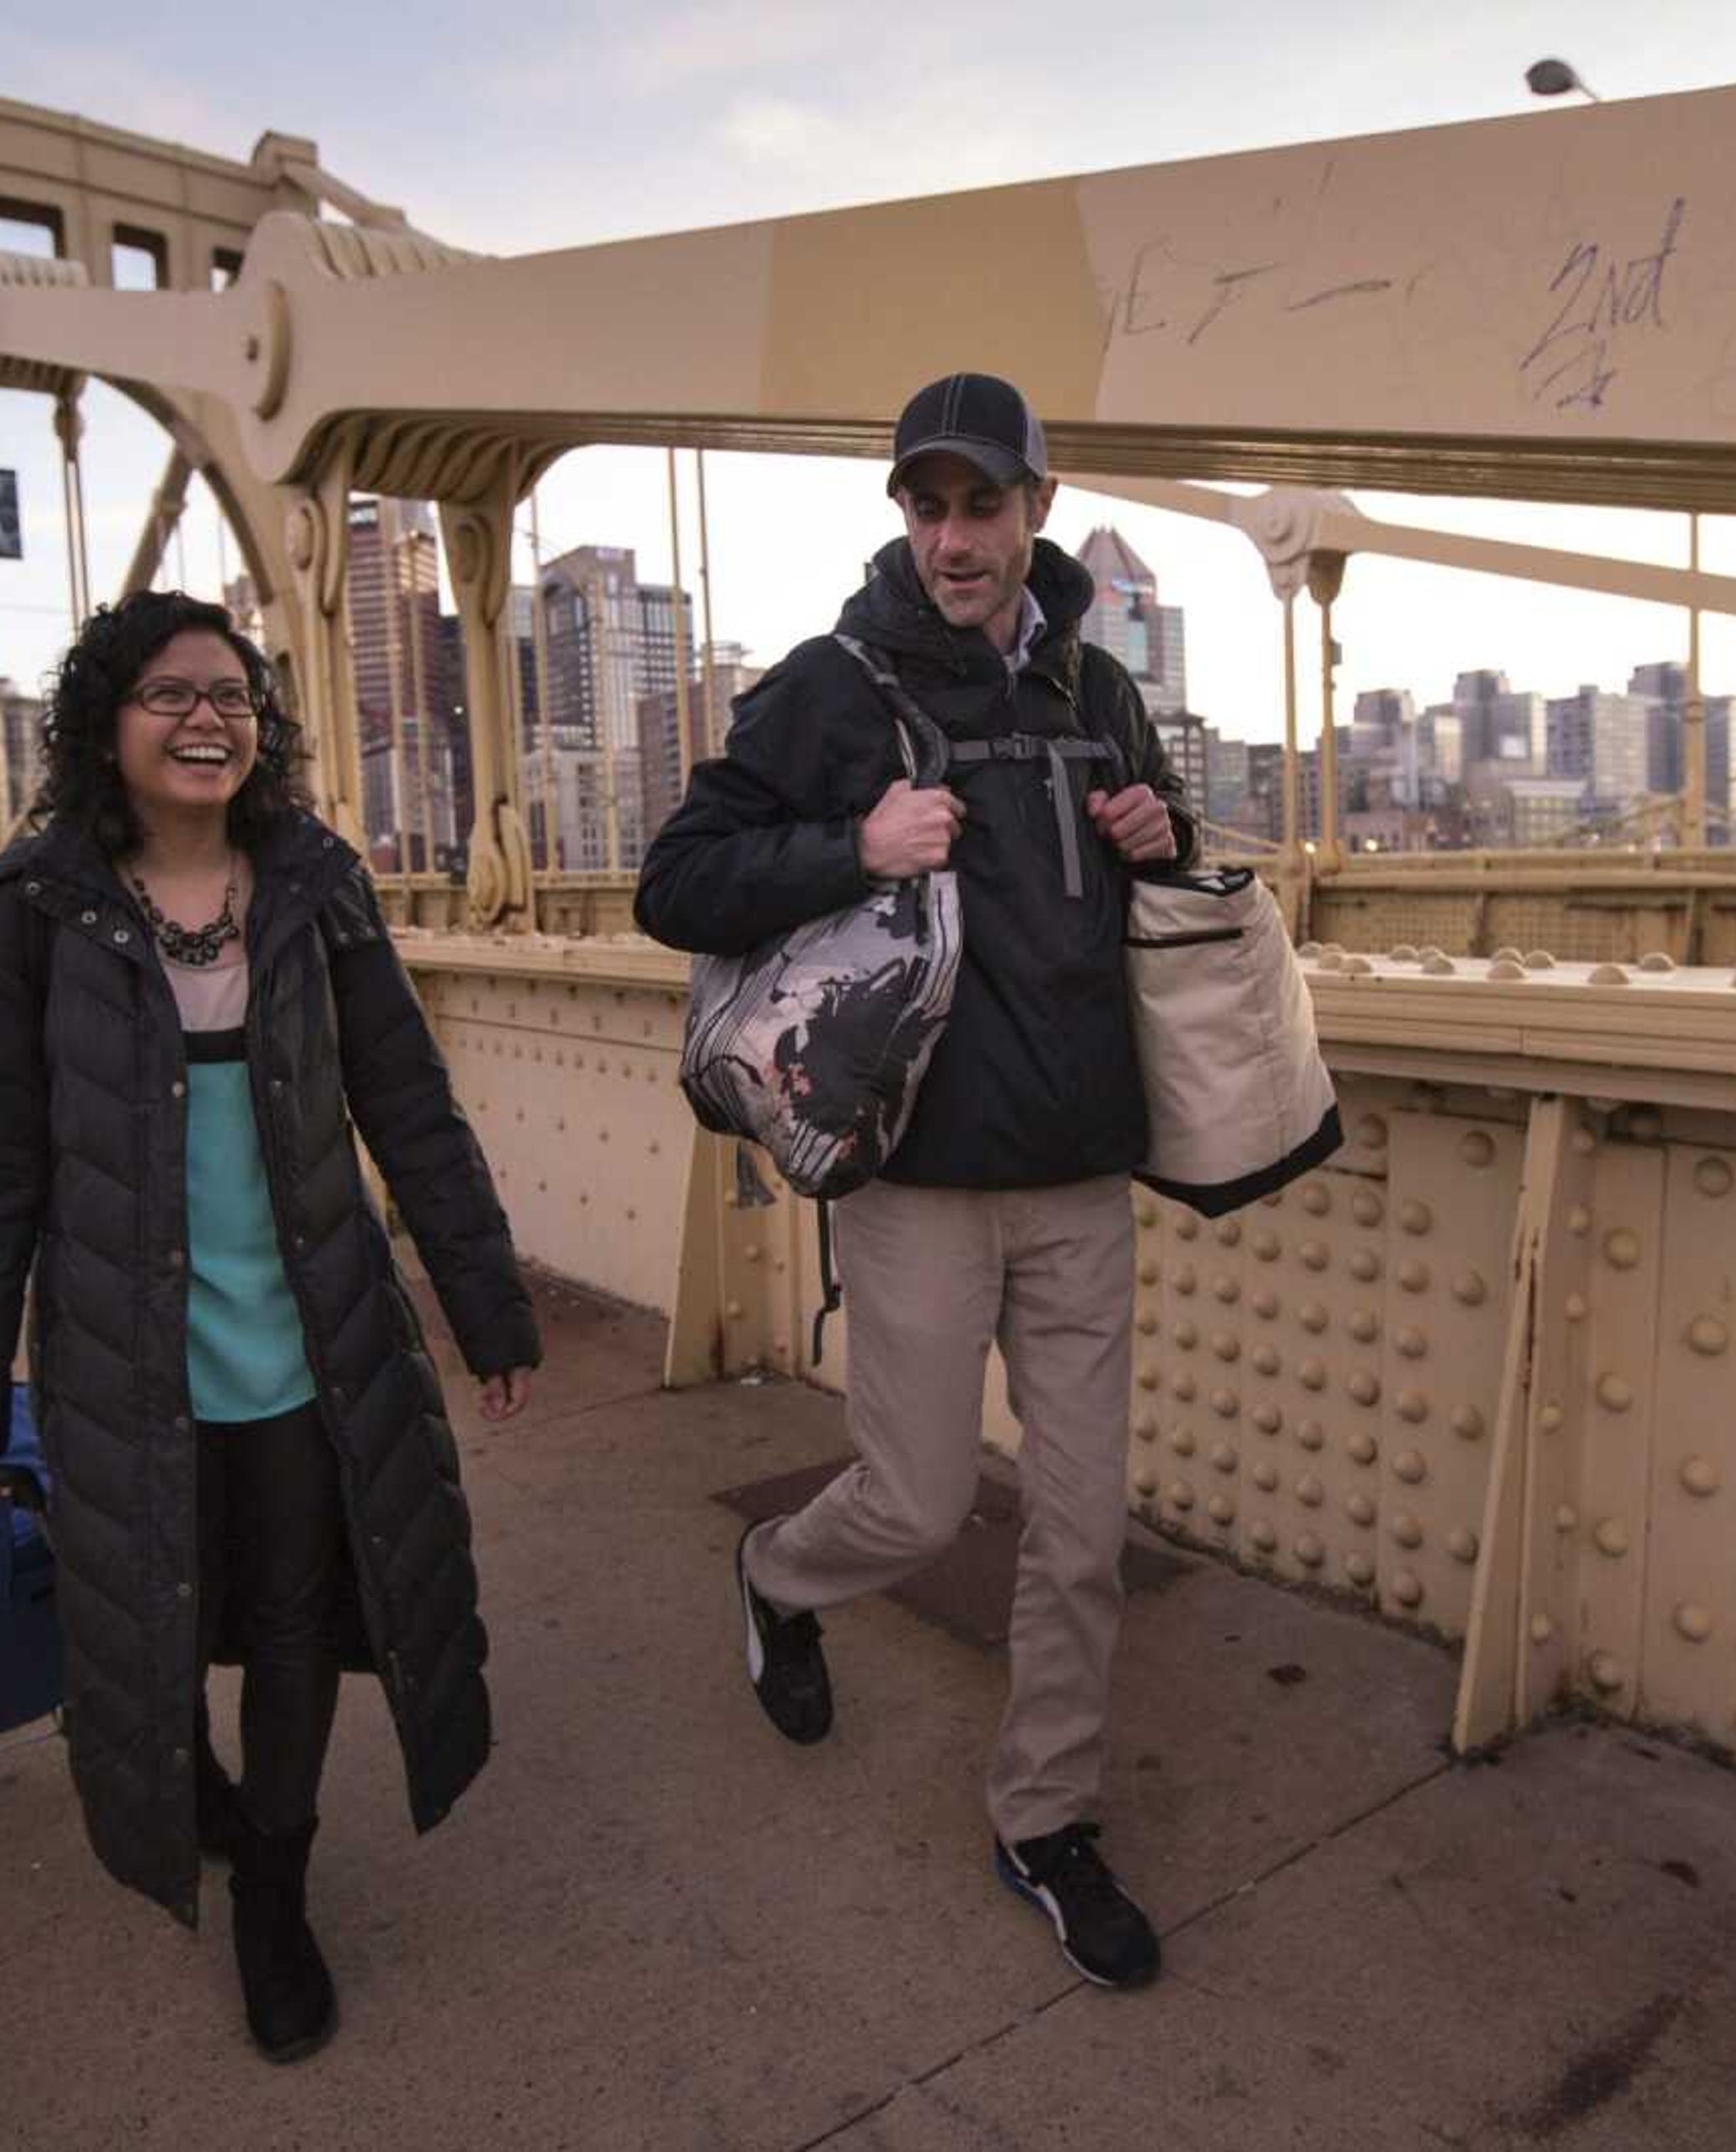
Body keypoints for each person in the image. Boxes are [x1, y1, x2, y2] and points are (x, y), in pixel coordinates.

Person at [0, 590, 540, 2063]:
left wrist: (483, 1296)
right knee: (155, 1620)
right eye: (171, 693)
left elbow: (408, 1103)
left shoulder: (316, 885)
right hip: (131, 1361)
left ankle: (276, 1880)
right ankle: (193, 1789)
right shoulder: (32, 913)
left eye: (236, 695)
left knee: (300, 1615)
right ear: (102, 725)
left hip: (313, 1346)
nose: (209, 717)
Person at [635, 372, 1195, 1990]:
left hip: (1085, 1172)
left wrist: (1165, 834)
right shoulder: (832, 688)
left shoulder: (1101, 687)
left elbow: (1162, 888)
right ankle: (779, 1575)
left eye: (983, 505)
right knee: (922, 1498)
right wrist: (851, 848)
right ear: (904, 519)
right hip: (921, 1177)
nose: (953, 537)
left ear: (1035, 507)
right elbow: (679, 881)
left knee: (1082, 1534)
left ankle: (1047, 1825)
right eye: (925, 506)